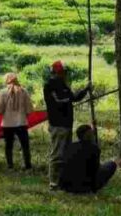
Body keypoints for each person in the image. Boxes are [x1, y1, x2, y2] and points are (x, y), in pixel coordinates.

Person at [43, 60, 91, 189]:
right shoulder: (50, 85)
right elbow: (58, 102)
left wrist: (85, 90)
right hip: (58, 124)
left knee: (65, 153)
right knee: (57, 154)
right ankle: (53, 182)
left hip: (67, 124)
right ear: (58, 72)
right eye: (64, 72)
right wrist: (69, 100)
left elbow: (73, 98)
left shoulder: (63, 85)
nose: (65, 74)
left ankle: (62, 181)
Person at [59, 124, 117, 194]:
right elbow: (95, 169)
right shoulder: (94, 149)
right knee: (111, 164)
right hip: (85, 187)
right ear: (89, 135)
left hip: (67, 186)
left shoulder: (70, 147)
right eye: (92, 133)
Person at [0, 73, 34, 170]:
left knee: (8, 145)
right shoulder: (24, 91)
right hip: (21, 123)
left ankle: (10, 166)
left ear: (6, 80)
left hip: (7, 124)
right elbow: (29, 109)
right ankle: (28, 165)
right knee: (25, 145)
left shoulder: (2, 92)